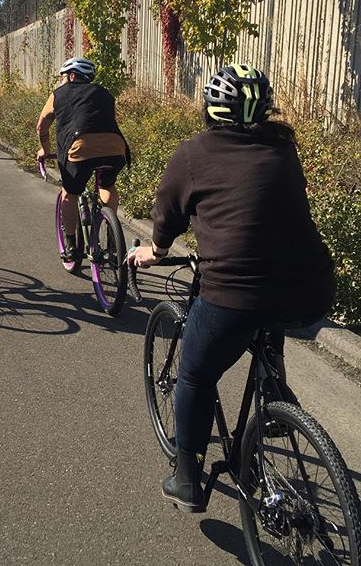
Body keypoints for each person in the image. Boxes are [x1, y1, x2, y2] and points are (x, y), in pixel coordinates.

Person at [127, 63, 335, 513]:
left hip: (236, 296)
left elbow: (166, 215)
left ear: (210, 110)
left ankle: (187, 478)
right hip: (312, 290)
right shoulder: (284, 148)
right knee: (268, 310)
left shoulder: (192, 154)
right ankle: (276, 394)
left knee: (197, 375)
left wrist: (155, 251)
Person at [36, 57, 131, 260]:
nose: (60, 81)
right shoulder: (105, 93)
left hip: (81, 149)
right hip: (116, 148)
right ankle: (112, 236)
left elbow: (42, 124)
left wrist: (44, 150)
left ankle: (71, 246)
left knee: (69, 194)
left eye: (62, 77)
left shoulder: (58, 94)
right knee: (108, 187)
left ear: (71, 76)